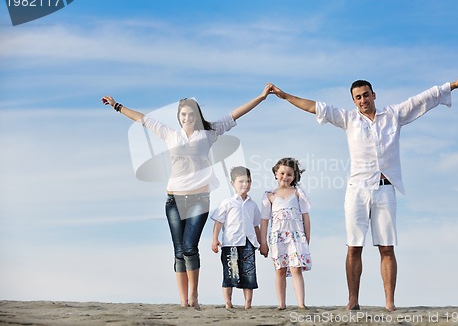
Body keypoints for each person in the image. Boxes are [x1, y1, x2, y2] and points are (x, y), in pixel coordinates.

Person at [267, 70, 458, 312]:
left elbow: (421, 100)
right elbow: (314, 107)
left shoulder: (393, 115)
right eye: (357, 97)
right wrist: (285, 96)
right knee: (354, 246)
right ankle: (353, 299)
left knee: (386, 247)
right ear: (353, 101)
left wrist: (452, 86)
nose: (363, 100)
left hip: (385, 189)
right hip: (357, 190)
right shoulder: (348, 119)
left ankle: (389, 302)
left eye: (366, 95)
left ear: (374, 95)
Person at [101, 84, 272, 310]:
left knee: (190, 247)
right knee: (179, 251)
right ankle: (183, 301)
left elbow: (235, 113)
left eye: (191, 114)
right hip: (173, 199)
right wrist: (116, 106)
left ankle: (194, 296)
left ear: (197, 115)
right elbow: (142, 119)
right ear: (179, 117)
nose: (187, 117)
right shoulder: (170, 134)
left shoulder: (209, 133)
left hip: (199, 198)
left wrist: (260, 97)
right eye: (183, 114)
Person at [260, 157, 312, 310]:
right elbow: (264, 220)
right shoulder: (269, 195)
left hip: (296, 236)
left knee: (296, 268)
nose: (285, 177)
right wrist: (263, 242)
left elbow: (306, 217)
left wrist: (307, 237)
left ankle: (301, 303)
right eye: (282, 173)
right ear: (276, 173)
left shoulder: (298, 193)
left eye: (289, 174)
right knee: (280, 270)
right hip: (278, 237)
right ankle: (281, 304)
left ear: (294, 176)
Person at [211, 166, 261, 310]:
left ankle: (248, 304)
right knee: (229, 273)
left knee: (249, 273)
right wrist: (215, 240)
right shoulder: (227, 202)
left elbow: (256, 224)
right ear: (232, 183)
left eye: (248, 181)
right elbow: (218, 222)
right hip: (230, 243)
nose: (245, 185)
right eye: (241, 181)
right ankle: (228, 303)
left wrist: (262, 243)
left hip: (249, 243)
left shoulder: (252, 204)